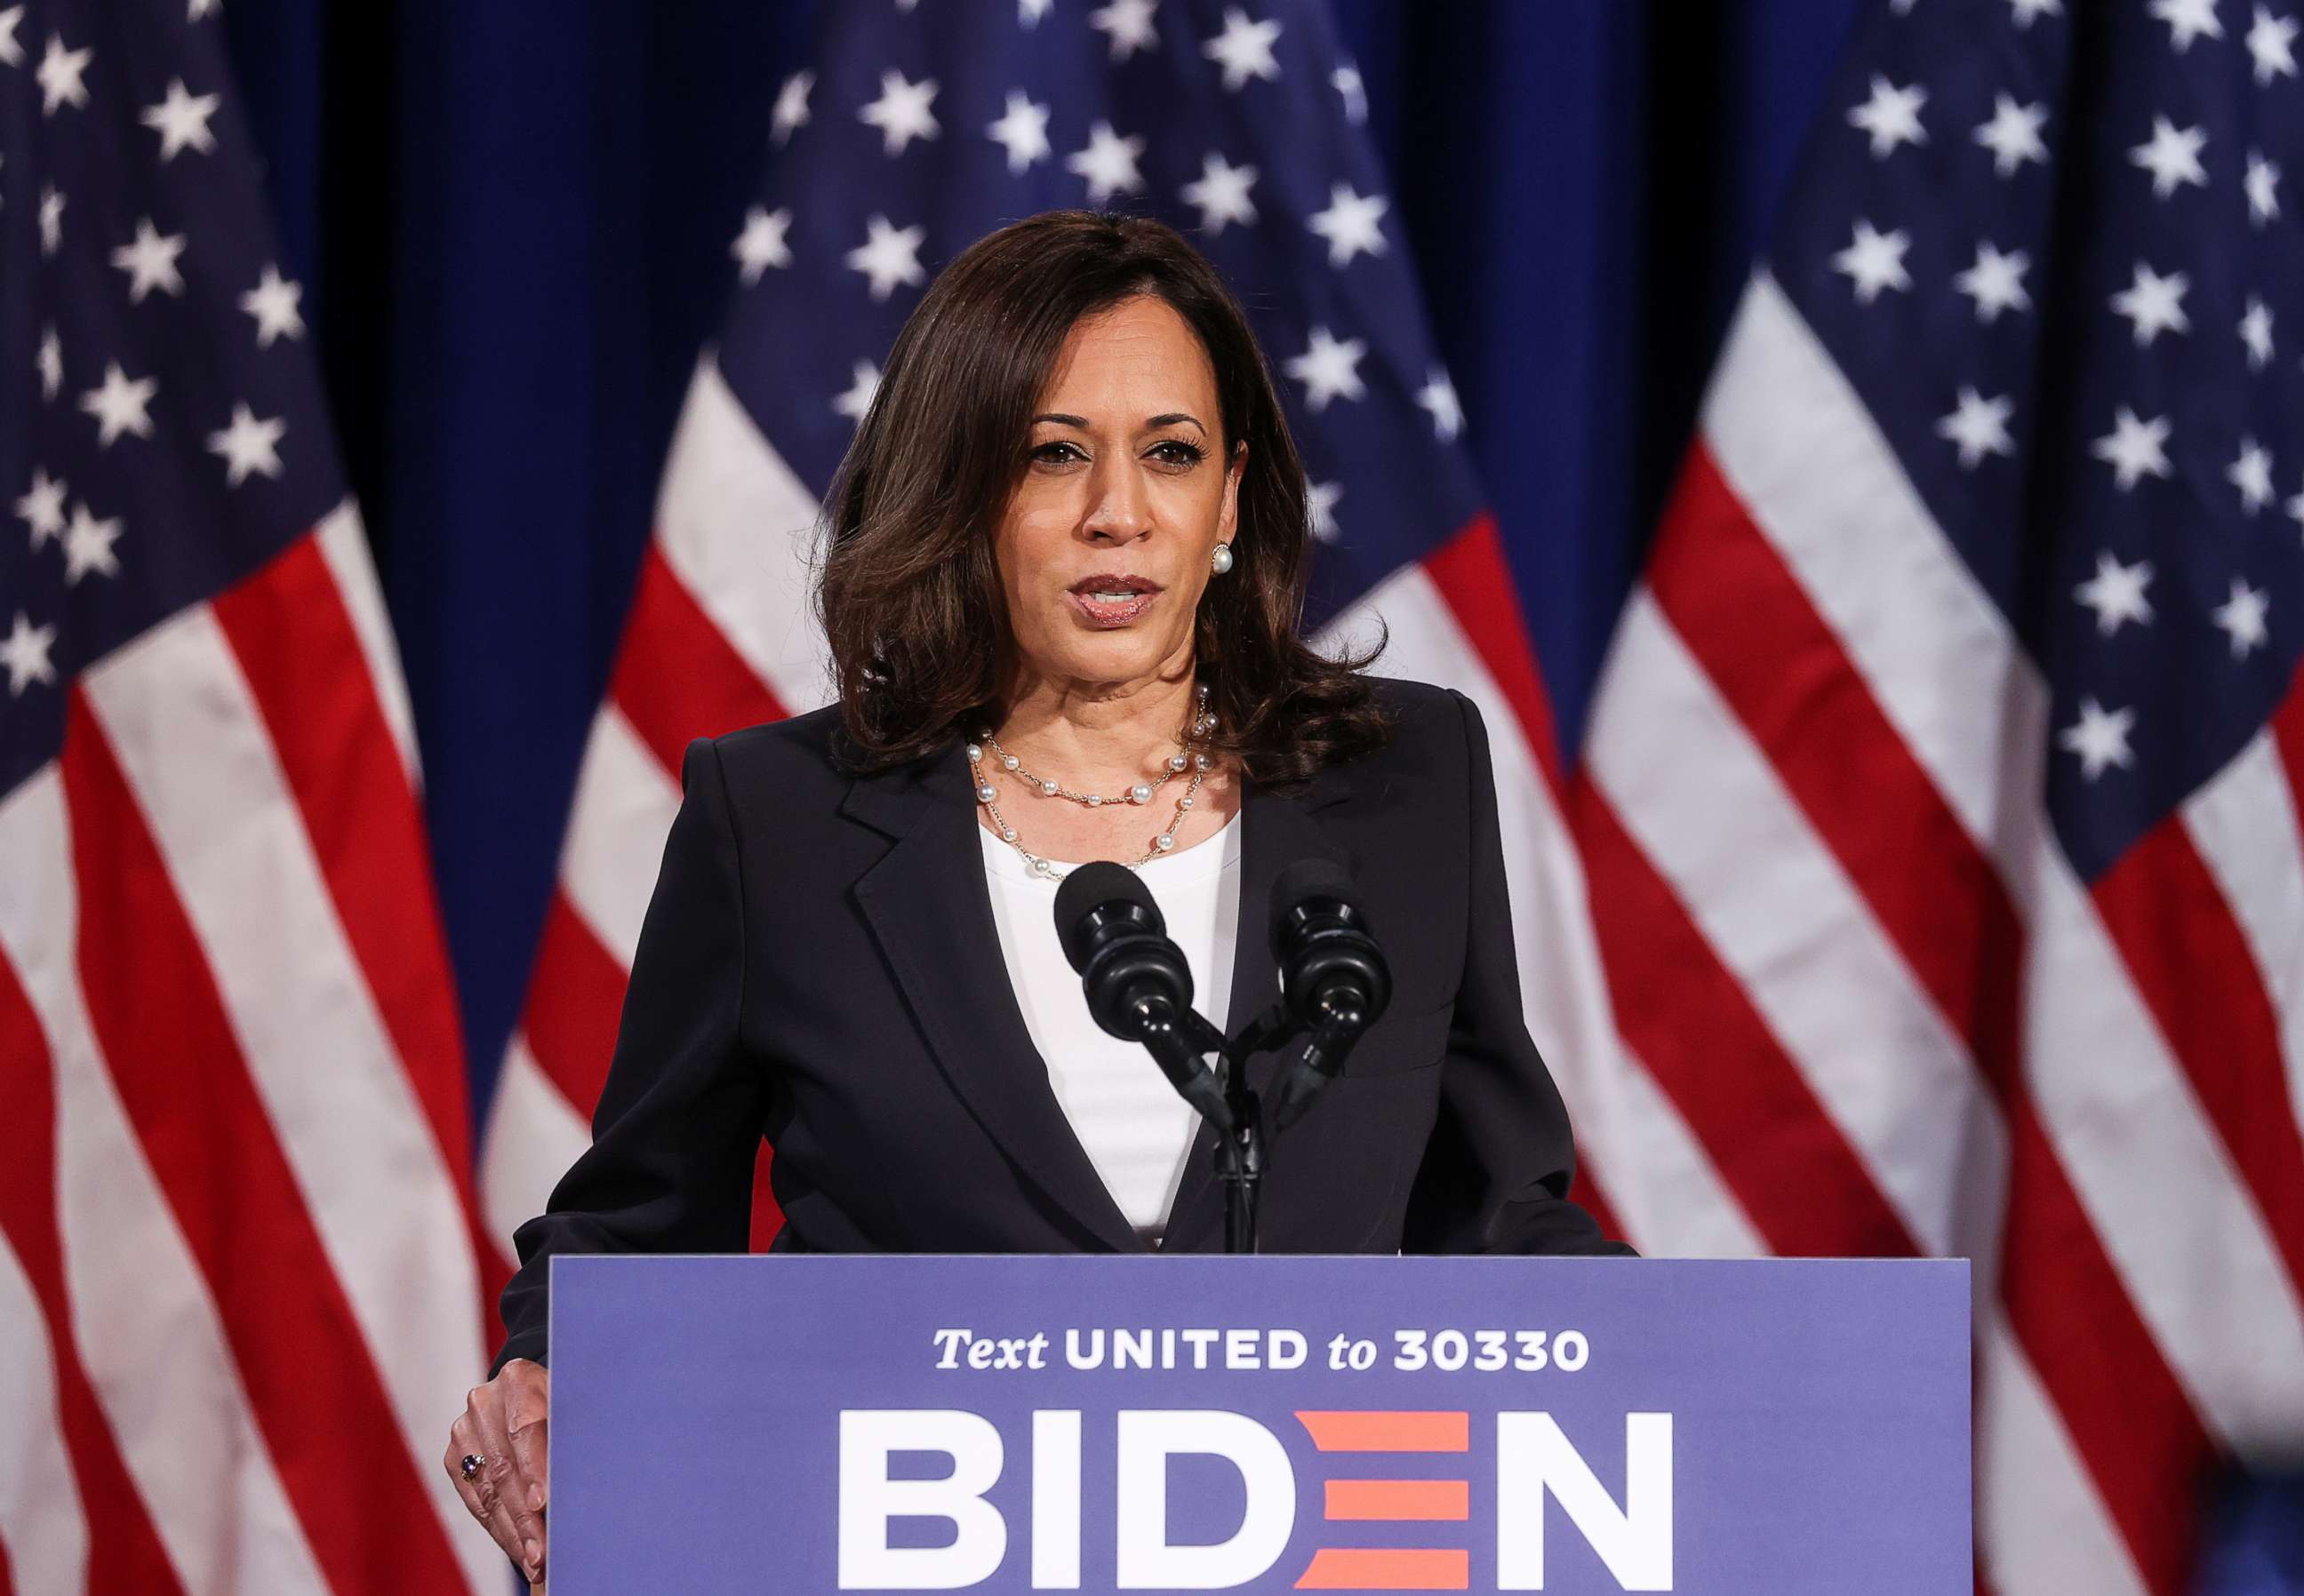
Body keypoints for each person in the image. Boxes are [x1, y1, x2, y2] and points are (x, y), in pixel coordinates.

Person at [444, 208, 1630, 1584]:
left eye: (1170, 455)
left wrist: (1699, 1386)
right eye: (1051, 454)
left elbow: (1489, 1208)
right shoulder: (780, 823)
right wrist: (542, 1369)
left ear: (1231, 499)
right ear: (962, 493)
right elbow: (641, 1217)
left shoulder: (1407, 783)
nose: (1116, 513)